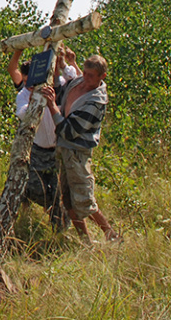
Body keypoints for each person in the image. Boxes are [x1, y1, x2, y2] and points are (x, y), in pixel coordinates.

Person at [39, 54, 120, 243]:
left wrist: (51, 105)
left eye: (91, 75)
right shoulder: (78, 82)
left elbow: (69, 131)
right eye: (85, 73)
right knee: (68, 201)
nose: (86, 78)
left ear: (102, 76)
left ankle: (112, 235)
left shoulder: (96, 102)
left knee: (84, 200)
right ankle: (85, 241)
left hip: (77, 153)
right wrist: (58, 70)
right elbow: (61, 94)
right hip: (64, 150)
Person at [4, 31, 78, 231]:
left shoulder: (57, 87)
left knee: (60, 192)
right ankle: (42, 208)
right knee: (36, 188)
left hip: (58, 149)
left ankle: (60, 229)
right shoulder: (23, 94)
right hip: (37, 150)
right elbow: (22, 113)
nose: (30, 82)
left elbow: (75, 80)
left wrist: (65, 62)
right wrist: (19, 46)